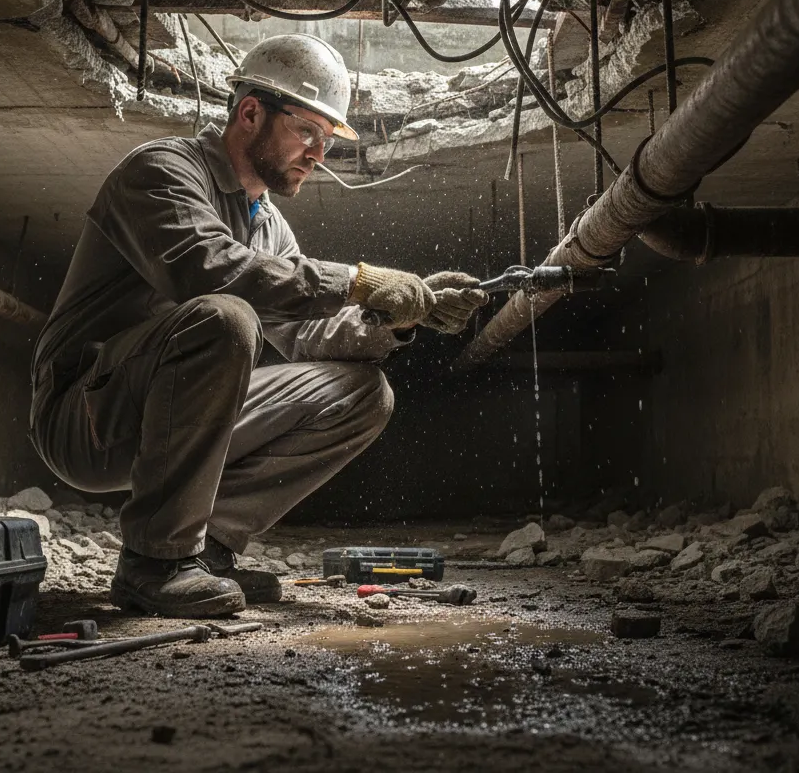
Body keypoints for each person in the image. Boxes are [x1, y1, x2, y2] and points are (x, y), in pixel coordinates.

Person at [28, 33, 487, 618]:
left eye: (326, 140)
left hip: (170, 423)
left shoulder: (267, 225)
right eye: (308, 133)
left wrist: (396, 317)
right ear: (250, 113)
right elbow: (209, 272)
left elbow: (308, 334)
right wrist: (361, 280)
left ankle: (208, 548)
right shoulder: (162, 171)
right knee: (224, 317)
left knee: (361, 393)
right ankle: (155, 561)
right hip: (85, 419)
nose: (318, 154)